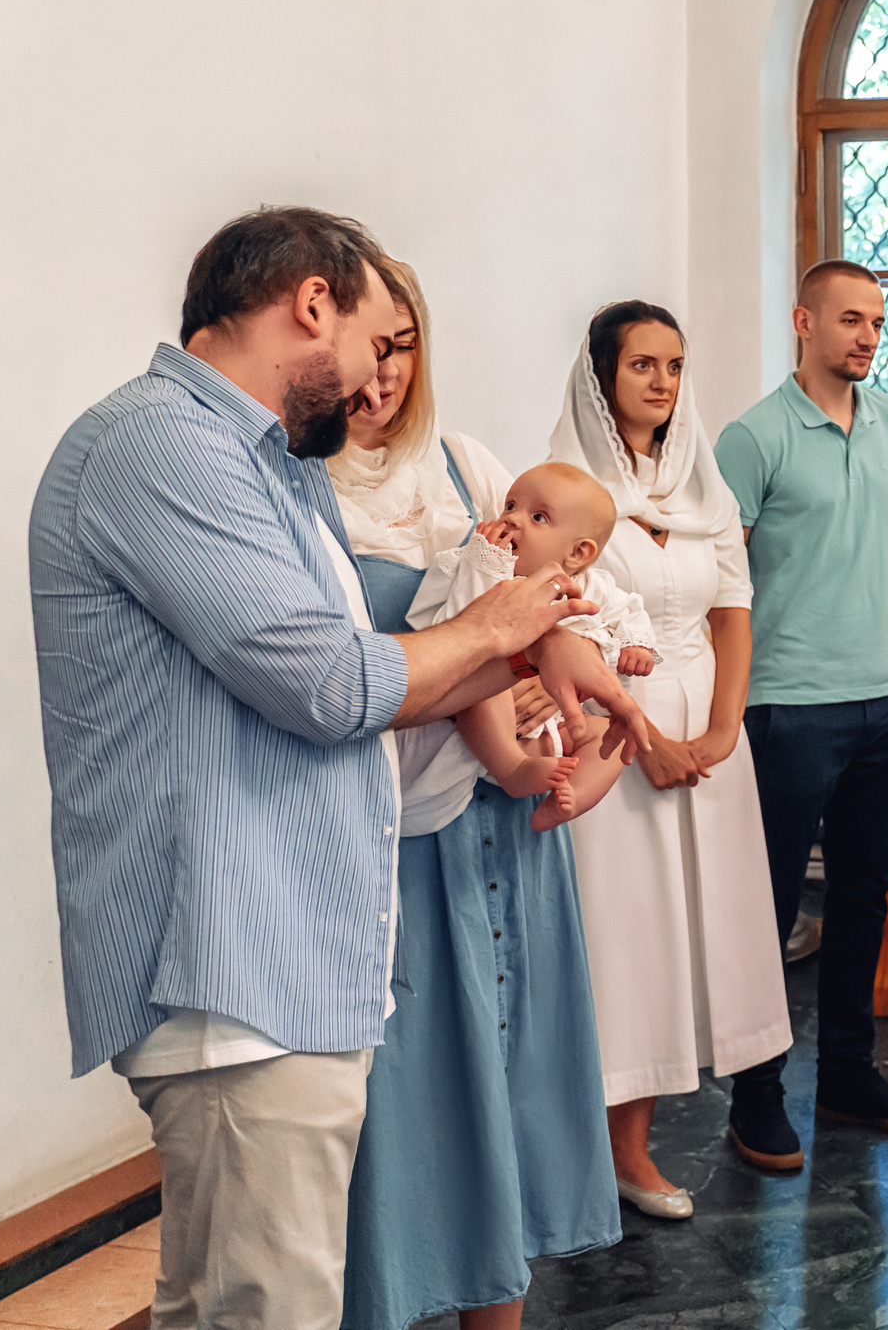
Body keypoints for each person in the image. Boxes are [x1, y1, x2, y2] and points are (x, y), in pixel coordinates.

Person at [32, 209, 642, 1330]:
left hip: (290, 959)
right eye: (373, 338)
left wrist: (552, 649)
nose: (376, 378)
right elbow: (330, 685)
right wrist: (510, 620)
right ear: (312, 304)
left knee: (243, 1304)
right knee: (268, 1311)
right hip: (230, 963)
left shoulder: (268, 465)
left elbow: (389, 671)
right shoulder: (163, 444)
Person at [329, 258, 626, 1330]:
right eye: (368, 345)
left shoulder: (468, 466)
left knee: (507, 1082)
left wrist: (562, 694)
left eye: (402, 345)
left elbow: (564, 604)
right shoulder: (303, 492)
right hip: (395, 844)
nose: (382, 374)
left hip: (505, 830)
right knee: (410, 1102)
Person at [554, 301, 793, 1215]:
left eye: (675, 366)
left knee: (706, 931)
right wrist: (644, 739)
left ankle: (653, 1138)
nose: (661, 382)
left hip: (706, 731)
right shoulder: (568, 481)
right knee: (631, 938)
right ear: (602, 374)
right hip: (613, 729)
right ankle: (616, 1153)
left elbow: (733, 602)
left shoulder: (702, 480)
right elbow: (563, 612)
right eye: (643, 364)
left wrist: (724, 729)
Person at [717, 259, 888, 1169]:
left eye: (879, 323)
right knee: (768, 911)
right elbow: (725, 585)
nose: (867, 336)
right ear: (804, 322)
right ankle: (755, 1097)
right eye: (851, 318)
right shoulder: (753, 436)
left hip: (882, 695)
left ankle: (847, 1076)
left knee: (861, 899)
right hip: (786, 705)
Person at [405, 461, 661, 831]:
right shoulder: (468, 565)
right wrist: (485, 567)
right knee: (482, 691)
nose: (513, 519)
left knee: (611, 739)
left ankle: (570, 801)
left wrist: (636, 645)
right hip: (490, 725)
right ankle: (512, 768)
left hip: (554, 729)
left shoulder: (596, 587)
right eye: (510, 505)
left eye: (538, 517)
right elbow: (449, 635)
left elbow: (629, 611)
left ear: (578, 554)